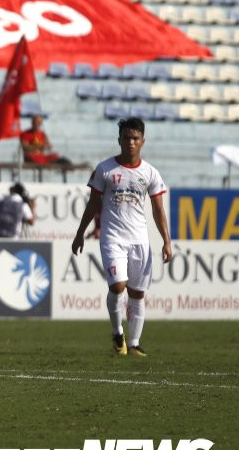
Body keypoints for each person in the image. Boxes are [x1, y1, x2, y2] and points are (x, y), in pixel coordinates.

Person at [72, 117, 171, 357]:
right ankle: (118, 333)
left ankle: (134, 343)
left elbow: (158, 210)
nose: (130, 142)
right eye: (126, 138)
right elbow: (93, 204)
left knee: (137, 293)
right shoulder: (105, 169)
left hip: (139, 240)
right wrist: (80, 234)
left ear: (143, 141)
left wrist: (167, 241)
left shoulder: (150, 173)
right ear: (119, 140)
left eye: (135, 138)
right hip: (112, 237)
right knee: (117, 286)